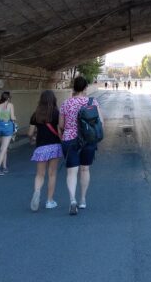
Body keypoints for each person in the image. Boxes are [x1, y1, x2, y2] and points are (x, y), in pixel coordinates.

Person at [60, 76, 101, 216]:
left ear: (73, 88)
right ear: (85, 88)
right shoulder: (92, 102)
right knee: (85, 169)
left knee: (71, 172)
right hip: (88, 139)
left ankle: (72, 200)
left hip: (70, 139)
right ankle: (82, 199)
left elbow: (61, 125)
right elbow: (100, 122)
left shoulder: (65, 103)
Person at [27, 90, 63, 211]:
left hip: (41, 147)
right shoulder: (56, 113)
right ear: (53, 99)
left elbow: (30, 133)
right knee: (52, 174)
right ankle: (49, 201)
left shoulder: (35, 114)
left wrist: (32, 139)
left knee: (39, 174)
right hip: (54, 146)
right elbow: (59, 131)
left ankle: (37, 192)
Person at [0, 91, 16, 176]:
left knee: (3, 148)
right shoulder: (10, 105)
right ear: (8, 98)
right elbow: (12, 117)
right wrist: (13, 118)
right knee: (3, 149)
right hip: (7, 128)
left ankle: (4, 167)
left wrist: (1, 117)